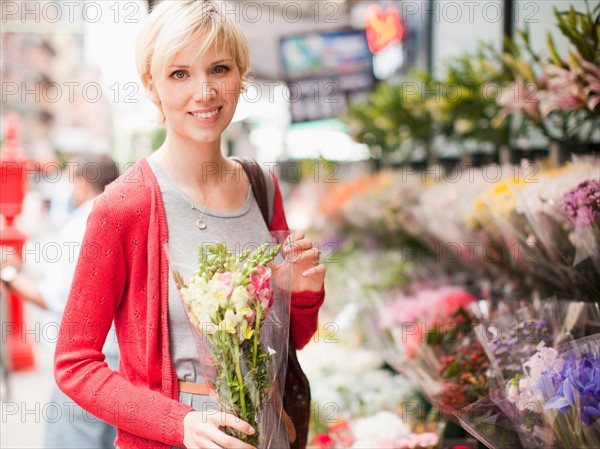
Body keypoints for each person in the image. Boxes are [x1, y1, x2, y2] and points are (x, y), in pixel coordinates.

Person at [54, 1, 326, 449]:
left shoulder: (263, 186)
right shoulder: (125, 206)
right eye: (180, 73)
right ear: (152, 86)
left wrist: (303, 294)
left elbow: (288, 341)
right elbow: (74, 363)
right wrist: (178, 423)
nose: (204, 92)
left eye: (219, 68)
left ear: (241, 75)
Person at [0, 153, 120, 448]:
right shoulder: (119, 217)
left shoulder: (83, 224)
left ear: (81, 184)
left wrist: (7, 274)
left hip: (81, 364)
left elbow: (56, 298)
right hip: (119, 361)